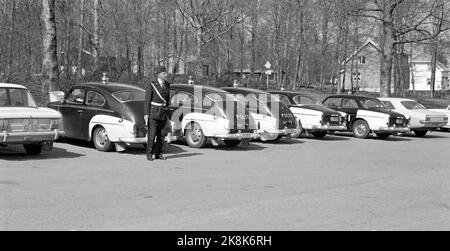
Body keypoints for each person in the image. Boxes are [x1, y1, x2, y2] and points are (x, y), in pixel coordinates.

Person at [144, 66, 171, 161]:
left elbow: (167, 100)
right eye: (164, 73)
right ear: (159, 75)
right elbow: (147, 100)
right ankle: (149, 154)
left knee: (161, 135)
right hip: (153, 112)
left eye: (165, 73)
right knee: (152, 135)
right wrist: (146, 114)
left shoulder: (167, 85)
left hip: (162, 112)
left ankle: (158, 153)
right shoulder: (152, 85)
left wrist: (168, 112)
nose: (166, 75)